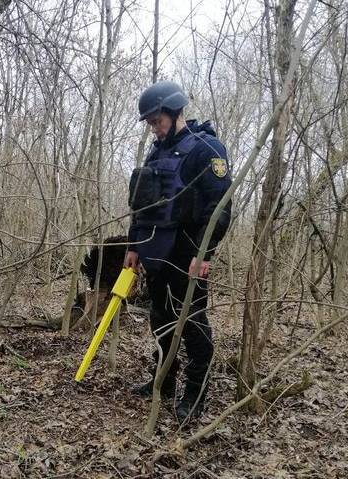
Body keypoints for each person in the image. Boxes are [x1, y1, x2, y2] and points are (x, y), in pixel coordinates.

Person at [124, 80, 232, 423]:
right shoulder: (156, 152)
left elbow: (220, 207)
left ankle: (195, 395)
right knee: (160, 320)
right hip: (156, 251)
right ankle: (164, 382)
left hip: (189, 253)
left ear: (175, 111)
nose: (155, 128)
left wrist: (205, 253)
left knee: (193, 324)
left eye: (158, 121)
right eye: (151, 123)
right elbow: (143, 205)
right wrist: (133, 246)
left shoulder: (207, 149)